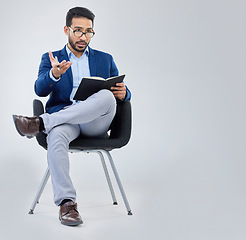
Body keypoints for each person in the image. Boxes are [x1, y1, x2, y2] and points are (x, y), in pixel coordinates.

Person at [13, 7, 131, 227]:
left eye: (88, 32)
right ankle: (67, 204)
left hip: (95, 122)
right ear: (67, 29)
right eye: (78, 31)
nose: (83, 37)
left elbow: (121, 89)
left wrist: (125, 93)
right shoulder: (51, 58)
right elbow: (39, 90)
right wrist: (54, 74)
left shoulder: (105, 59)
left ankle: (39, 123)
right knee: (56, 135)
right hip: (66, 122)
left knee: (106, 96)